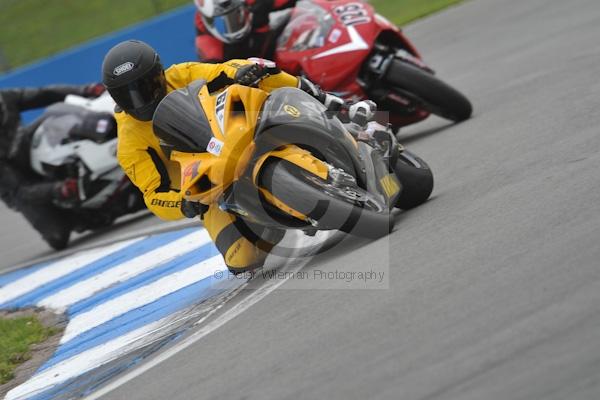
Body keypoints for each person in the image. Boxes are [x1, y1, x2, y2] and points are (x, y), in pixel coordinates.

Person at [102, 39, 376, 274]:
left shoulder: (181, 74)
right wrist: (183, 204)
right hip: (207, 186)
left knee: (262, 73)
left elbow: (222, 70)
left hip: (233, 132)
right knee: (241, 259)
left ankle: (330, 104)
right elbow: (153, 194)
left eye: (144, 88)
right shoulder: (129, 141)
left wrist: (242, 71)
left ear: (159, 74)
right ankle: (273, 214)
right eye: (127, 94)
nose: (139, 100)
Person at [0, 83, 105, 249]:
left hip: (27, 149)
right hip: (18, 187)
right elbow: (20, 191)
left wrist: (84, 90)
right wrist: (58, 189)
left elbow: (46, 94)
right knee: (57, 236)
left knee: (57, 116)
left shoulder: (6, 99)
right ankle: (80, 214)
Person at [194, 0, 296, 62]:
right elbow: (218, 78)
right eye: (222, 21)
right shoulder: (209, 47)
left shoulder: (253, 2)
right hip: (251, 78)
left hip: (273, 51)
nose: (233, 23)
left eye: (237, 13)